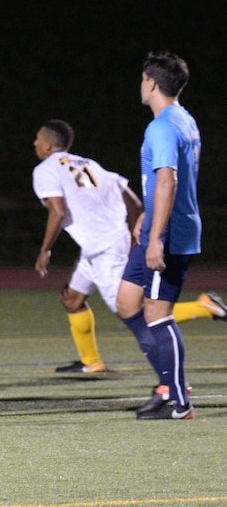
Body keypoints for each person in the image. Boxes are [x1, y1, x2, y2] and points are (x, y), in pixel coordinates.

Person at [31, 120, 223, 375]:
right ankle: (91, 361)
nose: (35, 143)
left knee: (135, 311)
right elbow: (133, 203)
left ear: (48, 144)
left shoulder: (45, 169)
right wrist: (134, 240)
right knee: (72, 299)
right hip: (101, 245)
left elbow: (58, 210)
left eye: (37, 139)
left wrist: (45, 249)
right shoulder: (90, 164)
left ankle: (204, 306)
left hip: (105, 250)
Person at [115, 52, 204, 420]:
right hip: (157, 225)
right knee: (126, 302)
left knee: (156, 314)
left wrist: (156, 237)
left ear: (151, 83)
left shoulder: (163, 126)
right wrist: (146, 219)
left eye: (141, 79)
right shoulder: (183, 119)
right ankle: (169, 381)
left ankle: (178, 400)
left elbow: (168, 180)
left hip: (167, 234)